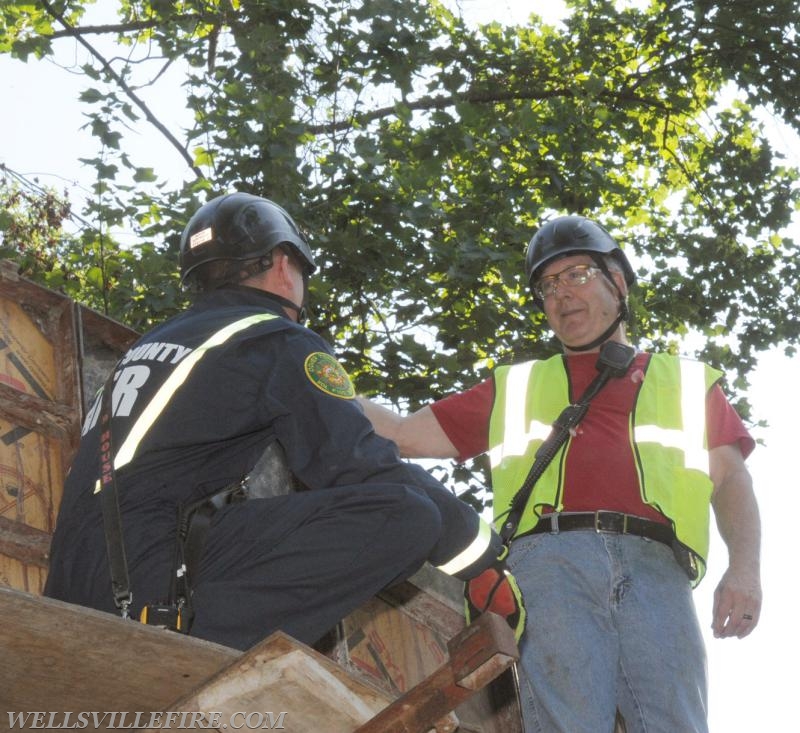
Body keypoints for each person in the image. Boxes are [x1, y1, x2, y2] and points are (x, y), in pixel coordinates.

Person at [44, 191, 508, 652]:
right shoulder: (273, 336)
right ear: (284, 264)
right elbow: (360, 464)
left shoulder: (159, 345)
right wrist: (485, 557)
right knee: (408, 515)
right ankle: (206, 649)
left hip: (74, 577)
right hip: (147, 574)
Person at [358, 215, 762, 733]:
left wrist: (745, 570)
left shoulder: (686, 381)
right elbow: (400, 434)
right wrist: (310, 368)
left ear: (618, 282)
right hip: (548, 562)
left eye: (577, 275)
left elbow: (731, 480)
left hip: (659, 568)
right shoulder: (516, 386)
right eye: (548, 285)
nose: (561, 294)